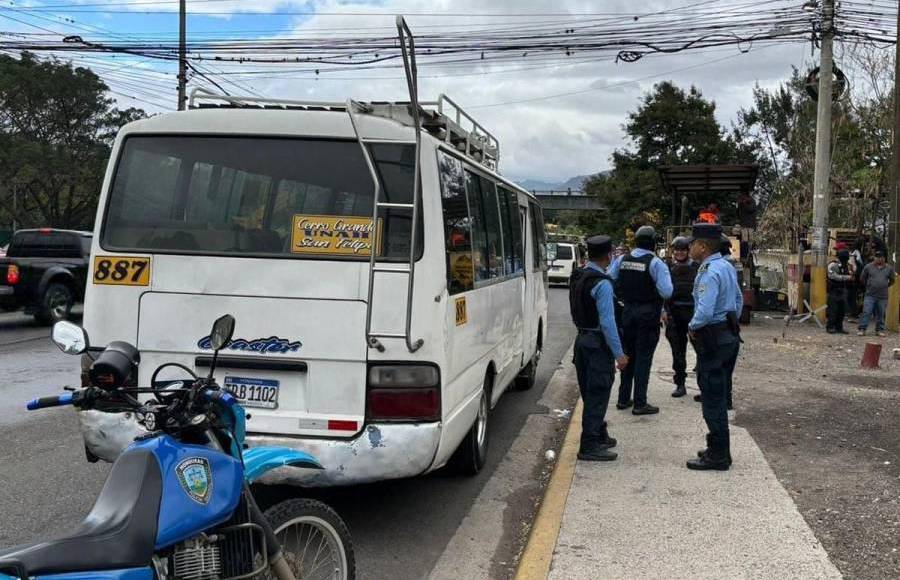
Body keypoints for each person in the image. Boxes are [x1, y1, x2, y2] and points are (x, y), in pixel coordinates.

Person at [685, 223, 742, 471]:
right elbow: (738, 300)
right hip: (728, 335)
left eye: (693, 243)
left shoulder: (709, 271)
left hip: (713, 339)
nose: (690, 247)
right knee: (719, 393)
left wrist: (692, 326)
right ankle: (718, 448)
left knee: (712, 398)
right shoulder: (726, 266)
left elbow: (705, 311)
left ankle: (718, 455)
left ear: (703, 246)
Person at [569, 235, 630, 461]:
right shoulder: (602, 283)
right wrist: (619, 354)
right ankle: (590, 445)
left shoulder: (578, 276)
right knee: (598, 393)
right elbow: (607, 323)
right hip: (597, 344)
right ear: (609, 256)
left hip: (581, 341)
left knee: (590, 392)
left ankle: (600, 434)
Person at [610, 225, 673, 415]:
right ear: (653, 243)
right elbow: (667, 292)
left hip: (627, 312)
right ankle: (640, 403)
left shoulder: (622, 259)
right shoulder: (656, 263)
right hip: (648, 315)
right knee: (643, 359)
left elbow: (609, 279)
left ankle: (623, 399)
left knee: (628, 354)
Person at [663, 236, 698, 398]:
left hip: (693, 314)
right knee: (678, 353)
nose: (679, 253)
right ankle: (680, 384)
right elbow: (662, 291)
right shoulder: (668, 267)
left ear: (688, 251)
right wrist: (664, 310)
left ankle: (703, 385)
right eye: (677, 250)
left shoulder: (696, 267)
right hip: (674, 314)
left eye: (682, 250)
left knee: (701, 350)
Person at [857, 250, 896, 337]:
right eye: (876, 257)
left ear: (884, 258)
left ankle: (879, 330)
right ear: (874, 258)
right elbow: (862, 278)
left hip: (882, 296)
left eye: (880, 257)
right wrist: (869, 285)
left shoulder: (889, 268)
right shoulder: (868, 267)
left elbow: (892, 280)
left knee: (881, 314)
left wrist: (885, 285)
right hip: (870, 294)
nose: (878, 259)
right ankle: (862, 329)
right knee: (867, 311)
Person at [826, 246, 854, 334]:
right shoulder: (833, 265)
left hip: (843, 290)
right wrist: (847, 277)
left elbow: (851, 274)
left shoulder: (846, 265)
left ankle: (839, 327)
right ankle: (830, 327)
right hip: (834, 290)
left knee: (841, 310)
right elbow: (832, 276)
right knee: (833, 310)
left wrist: (851, 273)